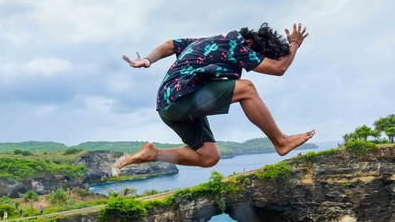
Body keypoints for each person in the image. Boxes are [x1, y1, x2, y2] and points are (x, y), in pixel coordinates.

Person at [116, 22, 314, 169]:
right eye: (258, 55)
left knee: (209, 157)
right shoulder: (238, 44)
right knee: (247, 88)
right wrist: (294, 44)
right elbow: (279, 68)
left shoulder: (208, 41)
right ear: (250, 42)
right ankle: (281, 141)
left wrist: (148, 59)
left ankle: (153, 154)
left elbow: (170, 45)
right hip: (180, 96)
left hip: (168, 105)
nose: (253, 62)